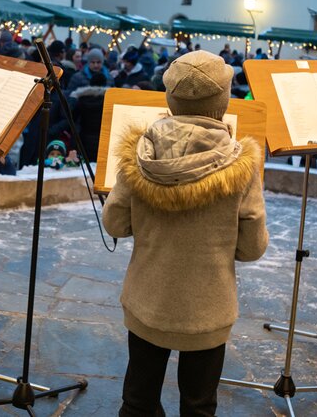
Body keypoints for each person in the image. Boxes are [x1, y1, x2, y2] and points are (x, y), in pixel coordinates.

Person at [102, 50, 268, 416]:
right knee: (199, 405)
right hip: (208, 309)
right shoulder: (243, 165)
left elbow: (114, 224)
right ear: (222, 100)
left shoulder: (138, 154)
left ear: (170, 97)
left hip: (148, 303)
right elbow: (252, 247)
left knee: (138, 401)